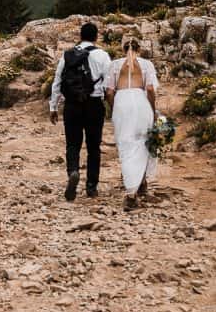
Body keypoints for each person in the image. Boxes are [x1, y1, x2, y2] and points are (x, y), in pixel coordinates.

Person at [49, 22, 111, 201]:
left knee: (72, 144)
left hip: (72, 105)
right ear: (96, 37)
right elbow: (108, 84)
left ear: (80, 35)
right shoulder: (103, 56)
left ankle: (73, 172)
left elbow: (57, 82)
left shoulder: (68, 55)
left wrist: (53, 107)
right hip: (94, 104)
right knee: (94, 147)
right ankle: (91, 186)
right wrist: (110, 105)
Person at [106, 37, 159, 211]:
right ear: (140, 49)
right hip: (141, 102)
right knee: (143, 142)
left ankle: (132, 191)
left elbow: (109, 91)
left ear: (123, 49)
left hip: (121, 102)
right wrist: (153, 109)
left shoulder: (114, 65)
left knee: (126, 145)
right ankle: (141, 182)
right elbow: (150, 89)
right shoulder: (146, 64)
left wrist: (114, 107)